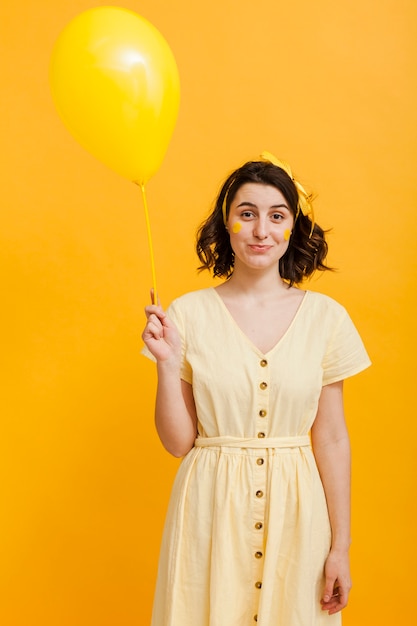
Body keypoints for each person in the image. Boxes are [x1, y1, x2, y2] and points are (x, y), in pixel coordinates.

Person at [142, 153, 371, 626]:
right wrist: (166, 367)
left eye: (276, 215)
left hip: (298, 514)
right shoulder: (189, 314)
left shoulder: (327, 318)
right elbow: (178, 443)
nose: (261, 230)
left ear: (293, 228)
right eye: (246, 214)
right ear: (226, 225)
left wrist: (340, 547)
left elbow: (330, 438)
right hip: (210, 511)